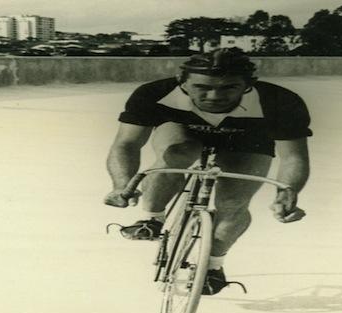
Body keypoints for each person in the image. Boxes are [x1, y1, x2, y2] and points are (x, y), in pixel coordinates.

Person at [104, 47, 311, 295]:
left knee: (234, 200)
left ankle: (212, 265)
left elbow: (293, 157)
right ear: (182, 83)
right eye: (202, 87)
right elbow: (127, 143)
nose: (214, 96)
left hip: (247, 140)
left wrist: (287, 193)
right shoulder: (154, 93)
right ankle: (152, 218)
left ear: (248, 84)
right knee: (176, 155)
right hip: (182, 131)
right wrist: (122, 185)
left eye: (229, 88)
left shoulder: (281, 101)